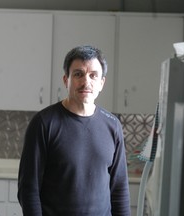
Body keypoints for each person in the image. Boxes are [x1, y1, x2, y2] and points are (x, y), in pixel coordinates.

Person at [17, 45, 131, 216]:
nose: (86, 82)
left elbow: (119, 188)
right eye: (78, 74)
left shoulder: (112, 126)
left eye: (93, 75)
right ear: (66, 80)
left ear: (101, 83)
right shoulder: (44, 123)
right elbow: (28, 189)